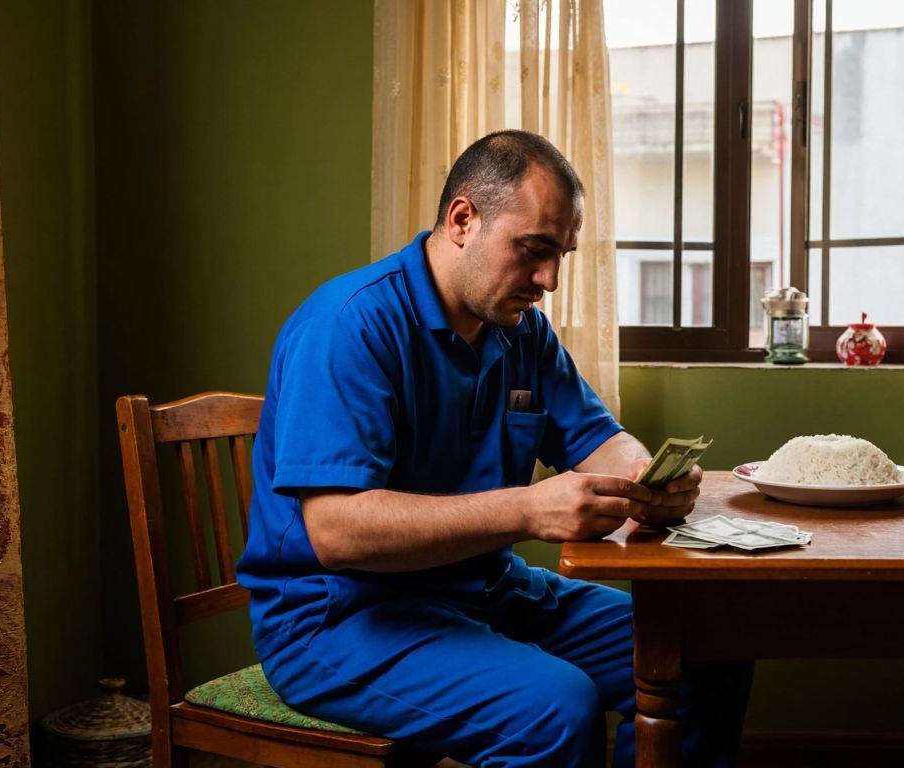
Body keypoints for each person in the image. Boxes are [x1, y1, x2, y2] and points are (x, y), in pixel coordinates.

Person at [235, 130, 753, 767]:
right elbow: (336, 531)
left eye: (560, 254)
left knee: (706, 650)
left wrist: (648, 477)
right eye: (534, 250)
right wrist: (528, 511)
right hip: (340, 618)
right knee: (555, 710)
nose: (550, 280)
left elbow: (598, 438)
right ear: (462, 220)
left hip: (485, 589)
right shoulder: (348, 325)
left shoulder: (521, 330)